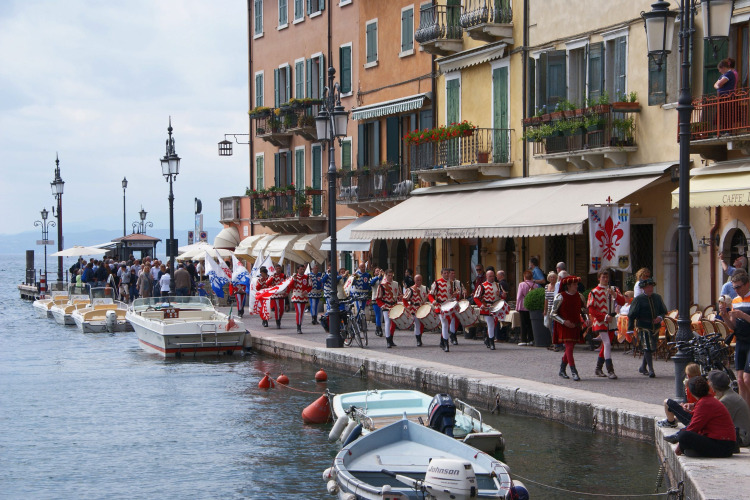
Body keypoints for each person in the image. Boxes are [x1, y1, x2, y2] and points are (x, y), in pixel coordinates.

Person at [664, 376, 738, 458]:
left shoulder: (705, 403)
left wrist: (680, 444)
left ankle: (692, 450)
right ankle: (693, 451)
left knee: (684, 436)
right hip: (724, 443)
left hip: (723, 445)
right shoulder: (708, 401)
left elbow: (694, 427)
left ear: (692, 392)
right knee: (685, 435)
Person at [588, 270, 626, 379]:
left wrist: (614, 294)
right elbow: (591, 309)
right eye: (603, 277)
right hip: (600, 321)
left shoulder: (614, 289)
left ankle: (598, 368)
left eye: (606, 277)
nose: (605, 279)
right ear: (599, 278)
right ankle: (610, 370)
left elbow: (622, 302)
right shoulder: (594, 292)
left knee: (606, 345)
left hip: (611, 320)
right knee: (607, 344)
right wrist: (604, 316)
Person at [628, 277, 668, 378]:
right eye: (648, 287)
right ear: (643, 289)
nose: (650, 289)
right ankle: (651, 370)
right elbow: (631, 314)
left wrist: (660, 317)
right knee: (647, 346)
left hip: (655, 326)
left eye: (651, 287)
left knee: (651, 348)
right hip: (643, 326)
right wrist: (630, 328)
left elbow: (663, 311)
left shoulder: (657, 297)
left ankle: (642, 367)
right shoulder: (638, 299)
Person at [550, 275, 586, 381]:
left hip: (575, 325)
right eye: (574, 284)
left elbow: (584, 310)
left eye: (576, 284)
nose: (576, 286)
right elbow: (552, 314)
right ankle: (574, 371)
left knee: (569, 349)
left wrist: (587, 318)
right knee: (569, 347)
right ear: (568, 286)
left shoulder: (579, 296)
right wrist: (564, 321)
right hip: (564, 326)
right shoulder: (560, 296)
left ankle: (562, 370)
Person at [725, 269, 750, 406]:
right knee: (740, 380)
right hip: (740, 340)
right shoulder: (735, 300)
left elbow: (743, 318)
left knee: (747, 379)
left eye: (738, 287)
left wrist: (744, 315)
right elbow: (733, 326)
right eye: (734, 287)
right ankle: (744, 413)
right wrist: (724, 316)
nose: (736, 290)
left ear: (747, 284)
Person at [708, 370, 750, 447]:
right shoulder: (729, 395)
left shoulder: (726, 400)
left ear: (712, 385)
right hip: (741, 434)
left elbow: (715, 423)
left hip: (740, 438)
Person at [658, 363, 707, 428]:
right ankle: (671, 420)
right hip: (697, 415)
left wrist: (688, 407)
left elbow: (699, 404)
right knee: (676, 413)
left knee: (667, 402)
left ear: (688, 375)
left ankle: (671, 422)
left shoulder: (691, 386)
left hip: (694, 418)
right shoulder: (705, 384)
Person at [429, 268, 456, 352]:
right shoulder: (436, 283)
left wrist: (455, 296)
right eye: (445, 273)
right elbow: (430, 295)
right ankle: (446, 343)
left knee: (447, 325)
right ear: (441, 274)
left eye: (448, 273)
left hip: (449, 306)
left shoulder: (451, 283)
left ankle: (442, 341)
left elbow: (452, 294)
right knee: (444, 323)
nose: (447, 275)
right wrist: (433, 301)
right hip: (440, 306)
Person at [474, 268, 501, 350]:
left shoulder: (497, 285)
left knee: (494, 324)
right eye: (490, 276)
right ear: (486, 276)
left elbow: (502, 296)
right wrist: (481, 305)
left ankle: (488, 338)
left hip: (496, 306)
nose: (492, 278)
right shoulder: (482, 286)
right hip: (486, 307)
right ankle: (492, 342)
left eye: (493, 276)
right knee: (491, 324)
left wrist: (501, 295)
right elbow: (476, 297)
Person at [376, 269, 402, 348]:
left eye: (391, 275)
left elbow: (399, 294)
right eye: (389, 275)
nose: (390, 277)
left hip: (394, 305)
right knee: (387, 322)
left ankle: (391, 339)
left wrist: (400, 298)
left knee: (393, 323)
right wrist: (382, 305)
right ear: (386, 276)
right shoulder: (382, 285)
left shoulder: (396, 284)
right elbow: (378, 298)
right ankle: (388, 340)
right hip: (386, 306)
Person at [403, 273, 428, 346]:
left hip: (423, 308)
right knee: (417, 324)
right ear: (414, 280)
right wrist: (407, 306)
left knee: (422, 324)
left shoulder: (425, 288)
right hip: (414, 308)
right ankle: (418, 340)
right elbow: (404, 299)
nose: (419, 281)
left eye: (420, 280)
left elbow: (429, 296)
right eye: (417, 280)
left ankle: (419, 336)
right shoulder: (410, 289)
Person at [516, 270, 536, 346]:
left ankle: (523, 339)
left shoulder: (521, 284)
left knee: (523, 323)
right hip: (531, 306)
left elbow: (519, 296)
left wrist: (517, 306)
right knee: (530, 323)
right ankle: (531, 339)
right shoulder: (535, 285)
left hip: (523, 305)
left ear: (524, 277)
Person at [288, 264, 311, 334]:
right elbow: (290, 286)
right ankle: (298, 327)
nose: (302, 270)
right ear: (297, 270)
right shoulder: (294, 277)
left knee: (302, 313)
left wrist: (306, 291)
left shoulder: (307, 277)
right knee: (299, 312)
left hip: (303, 297)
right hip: (296, 297)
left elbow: (310, 286)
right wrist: (294, 279)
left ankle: (300, 325)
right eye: (301, 269)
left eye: (303, 269)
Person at [543, 271, 559, 351]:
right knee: (549, 326)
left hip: (555, 309)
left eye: (554, 277)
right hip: (549, 308)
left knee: (554, 327)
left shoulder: (557, 286)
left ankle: (556, 343)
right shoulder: (546, 286)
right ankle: (553, 342)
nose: (552, 278)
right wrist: (545, 310)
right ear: (549, 278)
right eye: (551, 277)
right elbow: (546, 299)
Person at [269, 264, 288, 329]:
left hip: (282, 294)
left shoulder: (284, 276)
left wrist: (287, 292)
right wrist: (272, 278)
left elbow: (287, 284)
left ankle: (279, 318)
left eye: (279, 268)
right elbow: (268, 283)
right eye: (277, 268)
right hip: (275, 295)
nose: (278, 270)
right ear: (275, 269)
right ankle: (277, 321)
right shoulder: (272, 276)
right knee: (277, 309)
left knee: (282, 309)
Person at [369, 268, 384, 337]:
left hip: (384, 299)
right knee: (378, 315)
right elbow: (371, 283)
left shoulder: (383, 279)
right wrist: (378, 277)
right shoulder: (373, 279)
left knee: (382, 315)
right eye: (377, 271)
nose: (378, 272)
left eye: (379, 271)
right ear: (374, 273)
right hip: (375, 298)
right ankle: (378, 329)